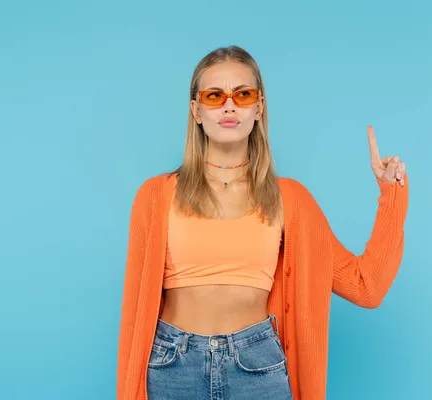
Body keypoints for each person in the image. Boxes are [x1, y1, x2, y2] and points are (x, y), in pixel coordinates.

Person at [116, 45, 408, 400]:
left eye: (243, 94)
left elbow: (366, 286)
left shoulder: (291, 199)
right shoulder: (155, 195)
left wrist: (391, 194)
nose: (229, 106)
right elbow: (135, 316)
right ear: (196, 110)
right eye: (214, 95)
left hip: (256, 366)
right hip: (172, 366)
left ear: (259, 107)